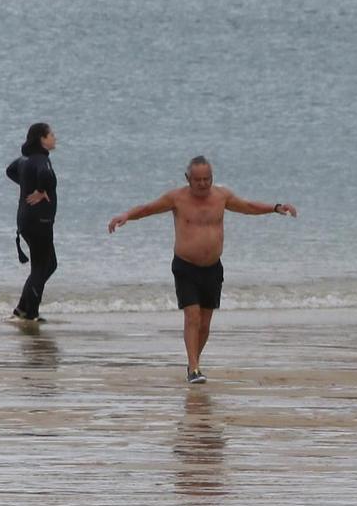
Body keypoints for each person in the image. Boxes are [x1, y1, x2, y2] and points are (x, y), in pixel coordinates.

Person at [106, 155, 297, 383]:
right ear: (188, 178)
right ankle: (195, 369)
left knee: (205, 324)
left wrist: (275, 208)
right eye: (198, 180)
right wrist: (126, 215)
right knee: (192, 317)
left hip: (213, 268)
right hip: (185, 266)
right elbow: (148, 209)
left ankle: (192, 363)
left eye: (208, 179)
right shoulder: (176, 198)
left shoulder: (221, 196)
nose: (203, 184)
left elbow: (248, 207)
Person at [6, 122, 59, 324]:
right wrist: (40, 190)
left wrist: (27, 184)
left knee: (49, 264)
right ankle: (31, 314)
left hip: (26, 220)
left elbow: (10, 170)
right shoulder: (41, 161)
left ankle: (22, 308)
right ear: (42, 139)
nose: (54, 137)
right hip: (40, 220)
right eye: (51, 134)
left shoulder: (24, 159)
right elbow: (46, 175)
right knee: (41, 266)